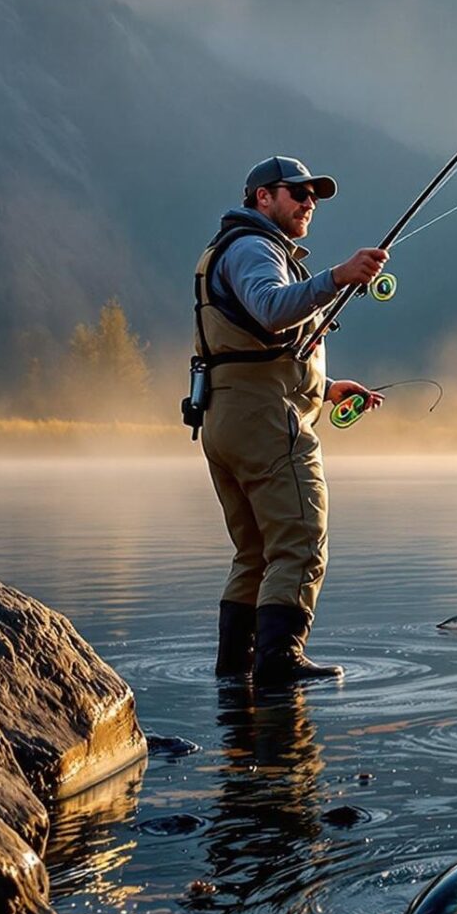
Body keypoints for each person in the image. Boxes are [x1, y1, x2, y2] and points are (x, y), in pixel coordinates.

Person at [192, 155, 387, 682]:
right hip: (266, 424)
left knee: (254, 553)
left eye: (314, 197)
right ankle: (279, 662)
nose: (308, 203)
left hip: (226, 418)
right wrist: (337, 276)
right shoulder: (255, 247)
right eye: (296, 192)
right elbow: (272, 308)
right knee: (300, 539)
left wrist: (323, 388)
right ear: (262, 198)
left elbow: (250, 345)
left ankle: (234, 671)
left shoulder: (230, 250)